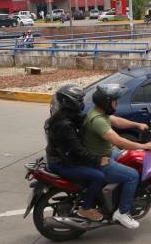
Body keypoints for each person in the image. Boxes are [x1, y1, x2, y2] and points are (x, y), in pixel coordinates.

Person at [81, 84, 151, 229]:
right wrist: (143, 146)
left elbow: (117, 121)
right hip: (100, 160)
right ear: (106, 102)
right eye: (115, 101)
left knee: (128, 157)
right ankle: (123, 212)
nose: (117, 103)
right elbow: (118, 141)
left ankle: (116, 196)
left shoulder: (100, 113)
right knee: (132, 176)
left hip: (106, 153)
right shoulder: (98, 120)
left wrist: (137, 125)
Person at [44, 84, 106, 221]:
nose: (82, 103)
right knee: (99, 176)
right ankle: (86, 209)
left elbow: (84, 120)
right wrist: (98, 159)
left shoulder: (67, 115)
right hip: (61, 163)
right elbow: (78, 150)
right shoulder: (64, 124)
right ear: (71, 102)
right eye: (80, 100)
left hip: (63, 158)